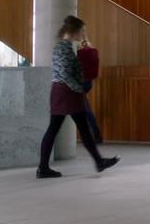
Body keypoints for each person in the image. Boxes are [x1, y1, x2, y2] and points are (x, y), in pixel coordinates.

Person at [37, 15, 119, 178]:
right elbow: (66, 74)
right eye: (81, 30)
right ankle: (44, 168)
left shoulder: (65, 46)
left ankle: (97, 161)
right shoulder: (63, 48)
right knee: (60, 129)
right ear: (73, 31)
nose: (83, 33)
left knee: (72, 128)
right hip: (66, 92)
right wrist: (79, 88)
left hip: (64, 92)